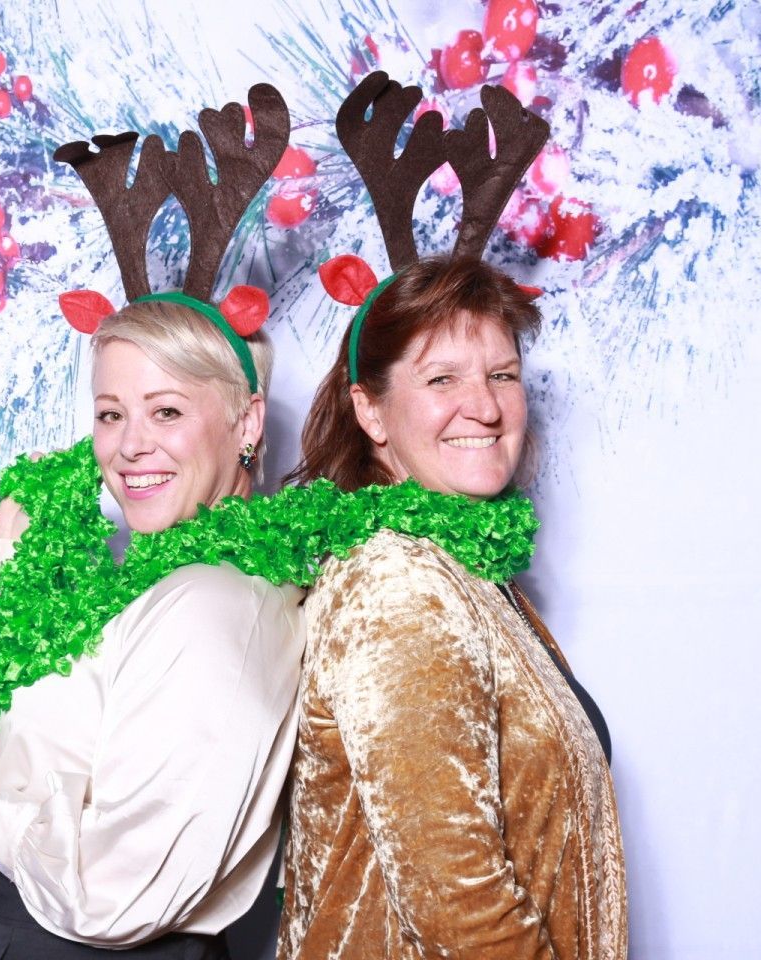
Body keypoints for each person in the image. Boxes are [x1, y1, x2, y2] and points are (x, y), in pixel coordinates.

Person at [0, 299, 304, 959]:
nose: (130, 445)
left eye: (167, 411)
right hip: (13, 923)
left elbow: (110, 894)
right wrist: (12, 577)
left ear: (247, 422)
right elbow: (34, 756)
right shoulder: (157, 577)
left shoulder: (210, 604)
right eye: (110, 414)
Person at [277, 255, 628, 959]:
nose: (488, 406)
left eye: (502, 374)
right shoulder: (399, 586)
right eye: (442, 379)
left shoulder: (464, 571)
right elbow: (460, 911)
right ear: (369, 410)